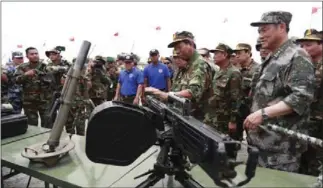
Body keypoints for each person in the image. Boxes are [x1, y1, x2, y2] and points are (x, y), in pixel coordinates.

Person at [245, 11, 315, 173]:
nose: (261, 35)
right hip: (261, 142)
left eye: (264, 30)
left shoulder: (297, 56)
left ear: (281, 27)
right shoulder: (272, 58)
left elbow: (301, 96)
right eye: (259, 31)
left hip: (281, 149)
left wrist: (263, 113)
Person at [145, 31, 213, 121]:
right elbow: (176, 89)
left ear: (190, 44)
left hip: (197, 121)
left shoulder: (200, 65)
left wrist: (162, 94)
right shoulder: (183, 67)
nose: (177, 51)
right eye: (175, 48)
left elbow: (192, 92)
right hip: (182, 117)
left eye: (179, 47)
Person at [204, 43, 242, 159]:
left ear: (225, 55)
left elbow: (236, 99)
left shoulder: (234, 73)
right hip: (214, 117)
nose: (214, 56)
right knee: (214, 148)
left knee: (226, 150)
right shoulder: (219, 72)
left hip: (225, 120)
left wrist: (233, 121)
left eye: (216, 53)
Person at [296, 29, 323, 176]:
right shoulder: (307, 66)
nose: (304, 49)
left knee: (314, 162)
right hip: (305, 121)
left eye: (309, 45)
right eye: (303, 45)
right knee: (302, 160)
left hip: (318, 124)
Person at [14, 47, 51, 127]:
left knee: (47, 123)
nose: (35, 55)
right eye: (32, 54)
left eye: (36, 53)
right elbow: (16, 81)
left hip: (44, 99)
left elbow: (52, 81)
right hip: (29, 101)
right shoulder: (22, 67)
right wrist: (25, 75)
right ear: (27, 56)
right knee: (31, 124)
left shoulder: (46, 67)